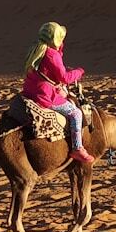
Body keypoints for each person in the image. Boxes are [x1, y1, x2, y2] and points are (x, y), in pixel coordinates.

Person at [21, 22, 94, 164]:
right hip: (44, 95)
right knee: (76, 113)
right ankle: (77, 148)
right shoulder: (52, 54)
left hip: (30, 90)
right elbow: (65, 78)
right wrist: (79, 72)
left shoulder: (37, 48)